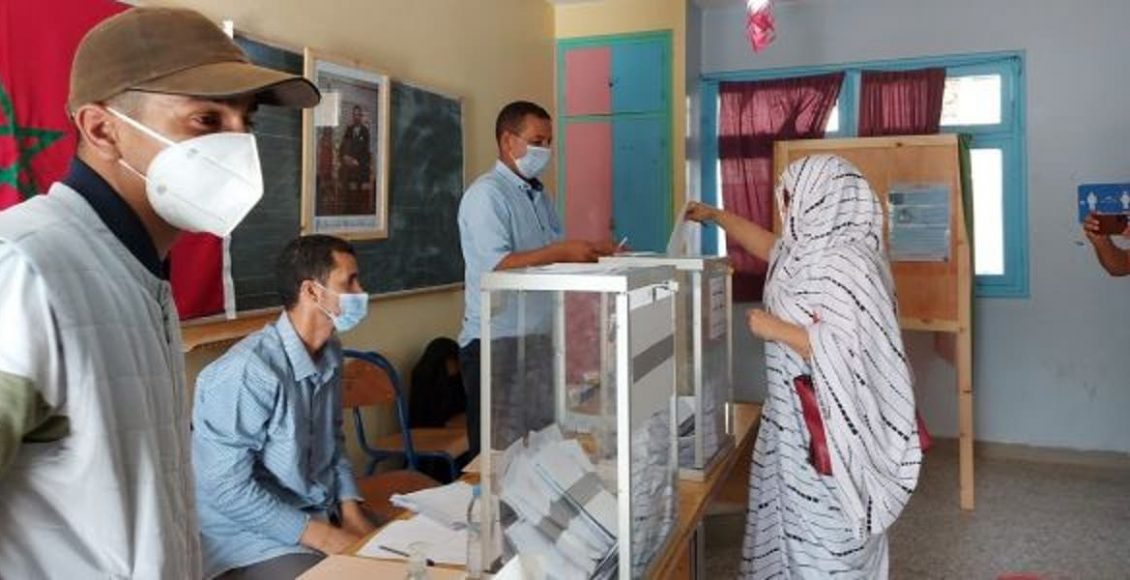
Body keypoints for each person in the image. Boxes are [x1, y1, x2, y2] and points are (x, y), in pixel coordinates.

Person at [0, 7, 318, 578]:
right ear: (102, 130)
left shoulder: (137, 271)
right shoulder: (27, 266)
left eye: (247, 120)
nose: (238, 142)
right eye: (205, 119)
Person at [686, 155, 921, 579]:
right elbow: (768, 246)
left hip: (829, 426)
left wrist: (776, 329)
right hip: (791, 422)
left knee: (827, 536)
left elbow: (855, 353)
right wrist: (714, 215)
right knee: (790, 527)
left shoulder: (848, 263)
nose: (788, 207)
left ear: (823, 198)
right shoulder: (807, 251)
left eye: (794, 197)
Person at [193, 235, 378, 579]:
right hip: (249, 540)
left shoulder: (331, 352)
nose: (361, 291)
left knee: (413, 559)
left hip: (319, 514)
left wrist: (352, 512)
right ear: (311, 292)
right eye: (349, 281)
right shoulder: (248, 371)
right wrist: (327, 538)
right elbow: (225, 488)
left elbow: (332, 440)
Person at [457, 100, 617, 457]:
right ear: (507, 141)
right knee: (500, 457)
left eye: (548, 142)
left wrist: (593, 251)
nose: (545, 150)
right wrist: (564, 251)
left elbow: (548, 257)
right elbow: (498, 265)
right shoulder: (486, 195)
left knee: (543, 447)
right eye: (536, 142)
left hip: (538, 340)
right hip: (497, 345)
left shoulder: (540, 195)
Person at [409, 337, 466, 428]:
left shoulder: (455, 379)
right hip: (430, 429)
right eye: (454, 360)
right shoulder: (423, 379)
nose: (458, 364)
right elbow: (421, 418)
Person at [339, 104, 372, 210]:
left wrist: (357, 161)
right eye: (354, 115)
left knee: (358, 174)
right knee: (343, 171)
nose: (356, 117)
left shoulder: (365, 131)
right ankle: (346, 206)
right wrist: (345, 157)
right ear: (352, 116)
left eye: (358, 115)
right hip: (349, 164)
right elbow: (342, 147)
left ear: (361, 116)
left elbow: (366, 152)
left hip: (360, 164)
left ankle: (357, 206)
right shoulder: (348, 129)